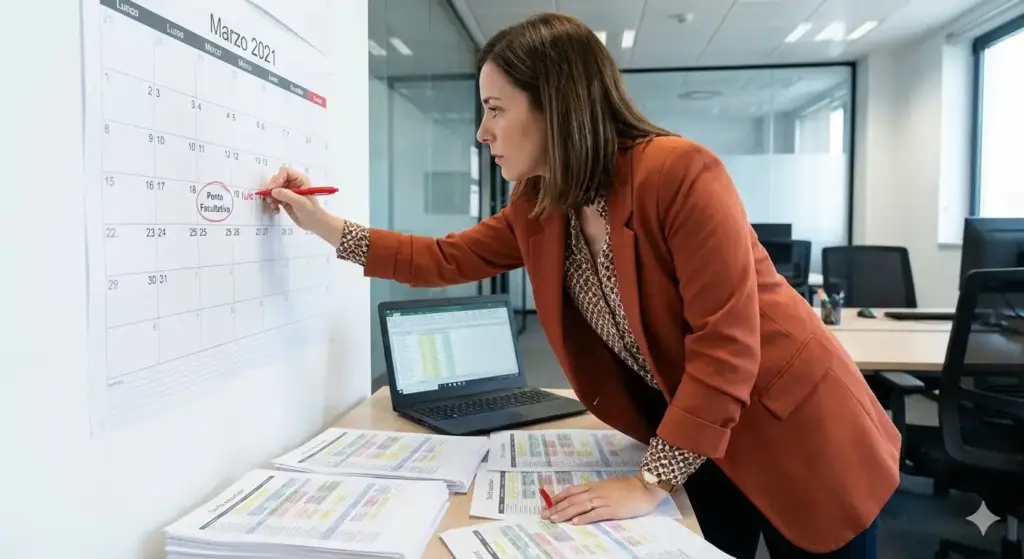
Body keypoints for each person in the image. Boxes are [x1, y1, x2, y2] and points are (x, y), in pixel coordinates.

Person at [262, 12, 899, 559]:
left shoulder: (677, 173)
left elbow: (727, 347)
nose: (482, 133)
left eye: (494, 109)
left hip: (798, 431)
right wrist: (320, 223)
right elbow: (443, 260)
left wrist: (649, 483)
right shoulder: (542, 203)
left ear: (555, 105)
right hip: (697, 436)